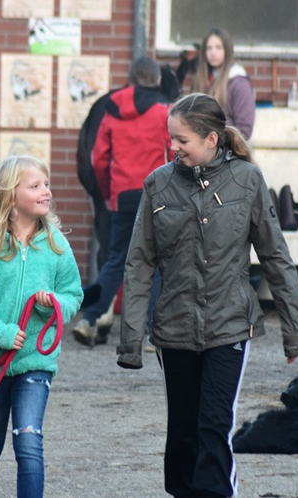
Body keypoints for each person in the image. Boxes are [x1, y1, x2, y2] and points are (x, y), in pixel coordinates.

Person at [116, 93, 298, 498]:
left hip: (228, 328)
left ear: (211, 139)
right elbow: (138, 265)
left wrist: (295, 333)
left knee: (213, 427)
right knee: (184, 434)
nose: (174, 147)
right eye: (172, 139)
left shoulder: (247, 180)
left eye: (182, 140)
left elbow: (276, 256)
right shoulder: (157, 185)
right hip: (173, 331)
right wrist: (131, 339)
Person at [0, 155, 83, 498]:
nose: (46, 192)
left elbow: (73, 294)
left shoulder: (56, 244)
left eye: (47, 184)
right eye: (35, 186)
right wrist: (0, 333)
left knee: (28, 439)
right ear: (10, 195)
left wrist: (53, 304)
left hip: (35, 364)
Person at [72, 56, 173, 347]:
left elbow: (98, 159)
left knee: (115, 261)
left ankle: (89, 318)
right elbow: (175, 151)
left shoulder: (111, 109)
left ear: (131, 78)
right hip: (155, 195)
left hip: (123, 198)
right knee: (158, 263)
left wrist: (107, 194)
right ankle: (155, 332)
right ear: (157, 80)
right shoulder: (163, 112)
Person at [192, 27, 255, 139]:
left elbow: (245, 131)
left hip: (227, 152)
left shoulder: (239, 84)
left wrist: (213, 124)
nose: (213, 53)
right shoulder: (203, 80)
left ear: (227, 50)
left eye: (218, 48)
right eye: (209, 48)